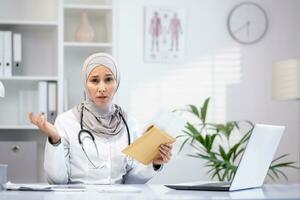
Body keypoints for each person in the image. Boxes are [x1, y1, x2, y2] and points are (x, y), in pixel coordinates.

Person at [28, 53, 173, 184]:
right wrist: (55, 139)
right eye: (95, 80)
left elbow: (131, 180)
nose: (102, 88)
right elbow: (57, 181)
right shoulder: (66, 121)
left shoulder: (129, 124)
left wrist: (154, 164)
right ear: (86, 83)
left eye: (109, 79)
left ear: (117, 83)